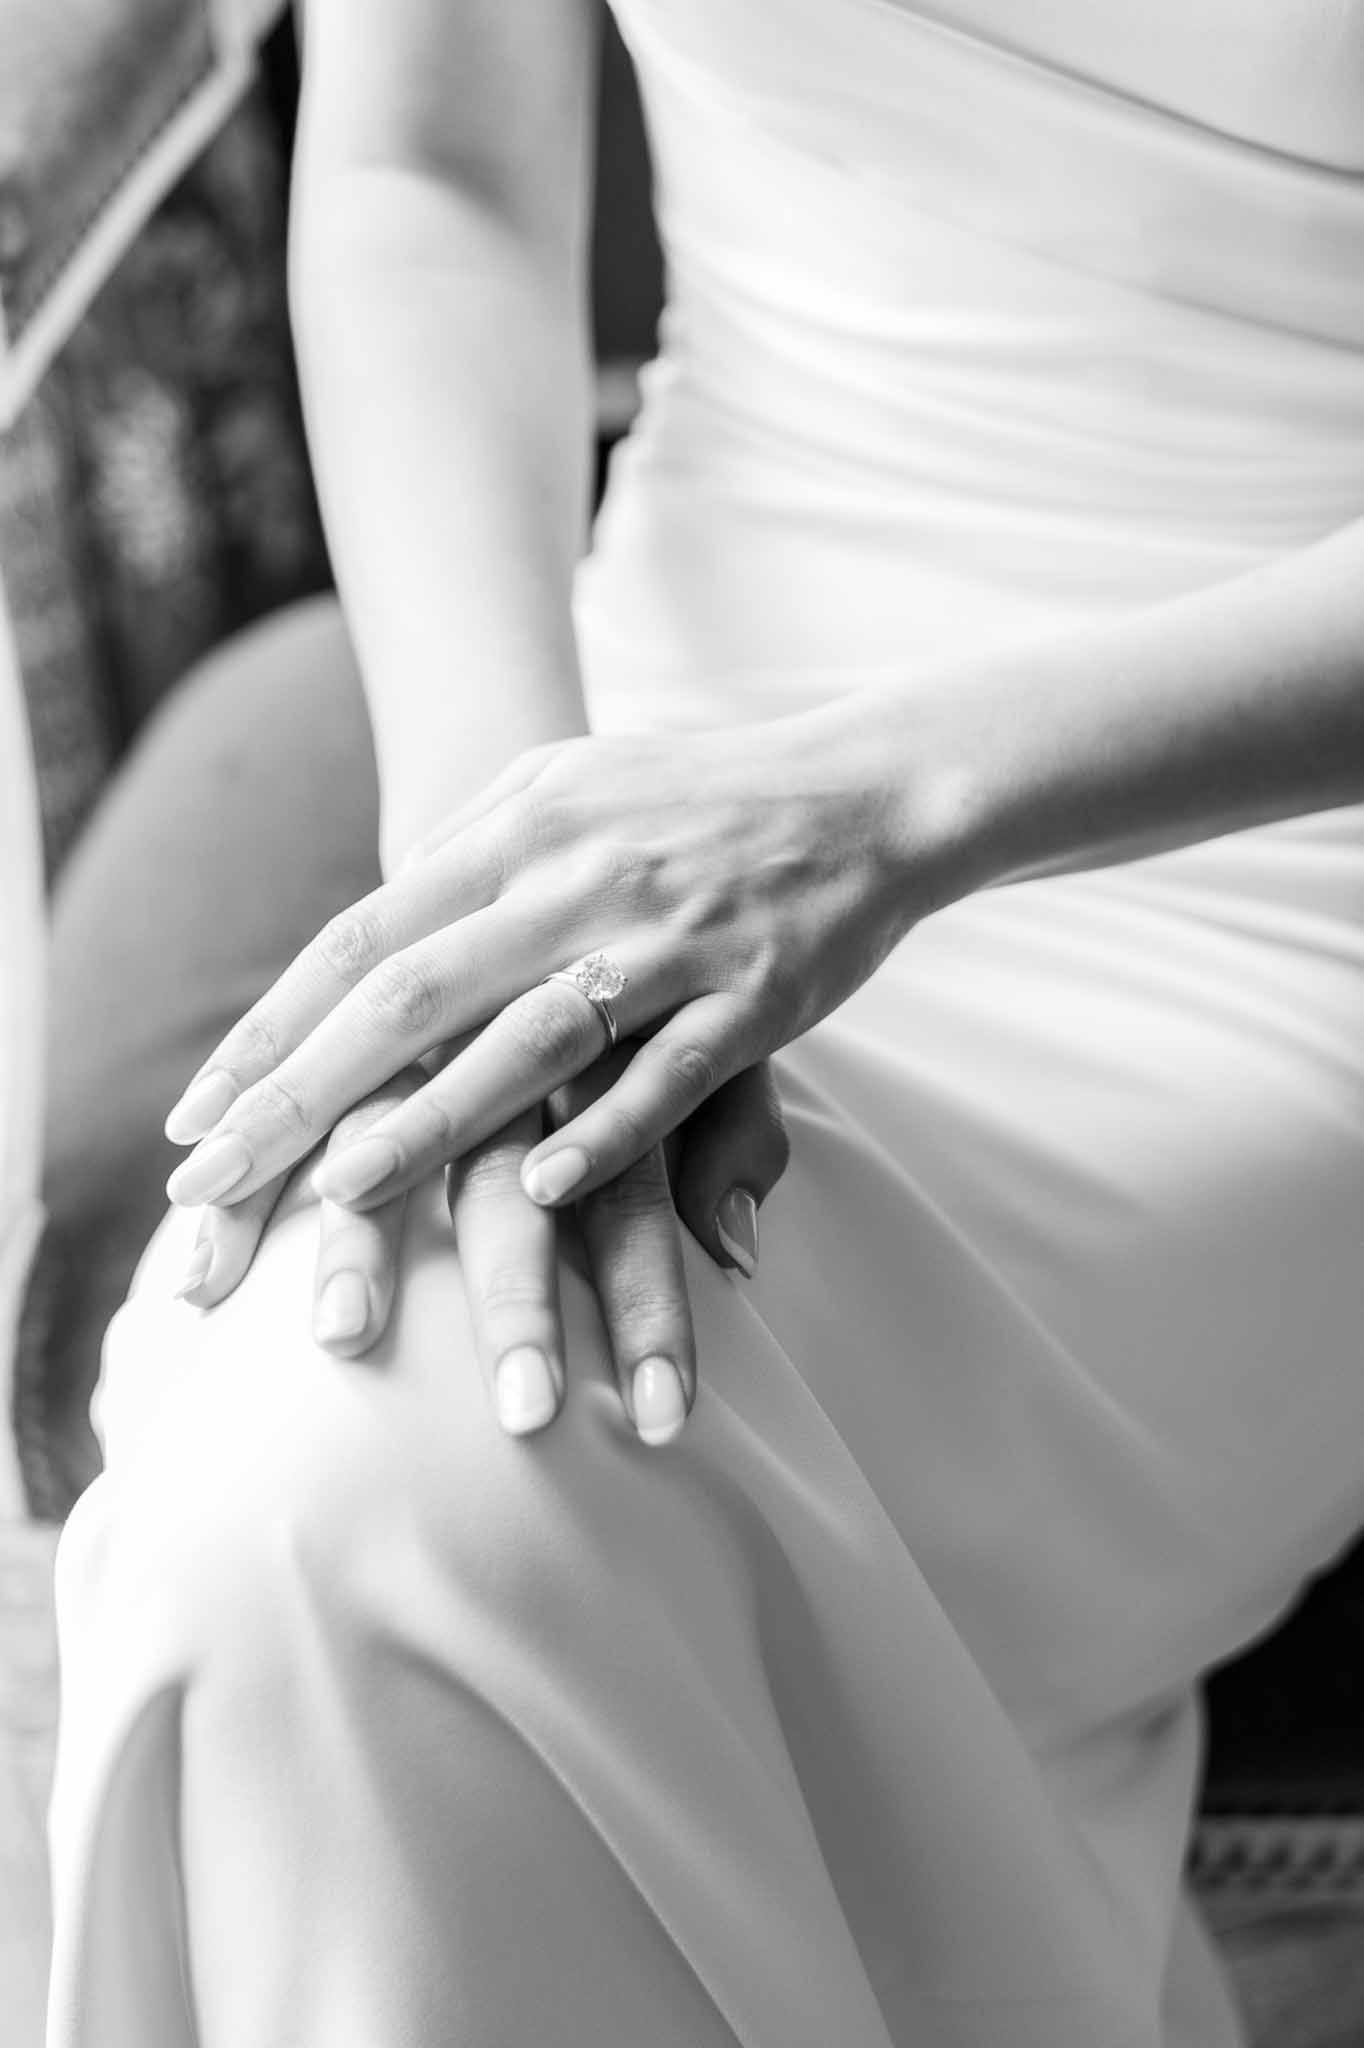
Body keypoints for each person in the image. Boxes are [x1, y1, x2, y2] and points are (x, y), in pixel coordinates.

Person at [43, 1, 1364, 2042]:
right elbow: (433, 174)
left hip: (1277, 842)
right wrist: (507, 873)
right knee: (318, 1451)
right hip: (660, 716)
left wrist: (885, 813)